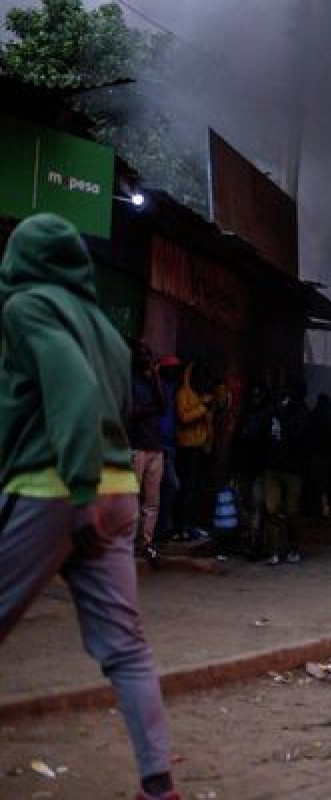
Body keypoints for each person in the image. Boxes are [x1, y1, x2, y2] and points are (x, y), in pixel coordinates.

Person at [0, 213, 179, 800]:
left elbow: (73, 389)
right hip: (118, 491)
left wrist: (78, 490)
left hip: (55, 491)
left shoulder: (26, 307)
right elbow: (115, 407)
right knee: (127, 648)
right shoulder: (105, 327)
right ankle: (158, 784)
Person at [263, 380, 309, 565]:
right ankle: (274, 551)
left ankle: (293, 548)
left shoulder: (301, 412)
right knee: (272, 509)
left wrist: (284, 416)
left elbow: (298, 435)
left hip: (292, 469)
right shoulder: (273, 410)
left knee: (291, 512)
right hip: (273, 467)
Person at [130, 343, 166, 563]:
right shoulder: (130, 383)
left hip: (155, 446)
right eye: (145, 357)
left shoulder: (152, 383)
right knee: (133, 497)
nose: (148, 361)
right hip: (137, 446)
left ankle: (146, 542)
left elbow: (163, 405)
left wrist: (155, 378)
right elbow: (131, 412)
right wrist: (151, 409)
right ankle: (130, 542)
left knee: (152, 500)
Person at [174, 361, 214, 540]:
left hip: (200, 447)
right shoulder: (183, 394)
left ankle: (192, 525)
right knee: (187, 488)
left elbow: (209, 423)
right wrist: (203, 407)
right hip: (187, 447)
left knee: (196, 488)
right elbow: (183, 417)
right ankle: (183, 526)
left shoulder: (200, 395)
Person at [231, 384, 272, 556]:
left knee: (255, 504)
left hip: (257, 467)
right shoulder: (249, 415)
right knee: (248, 504)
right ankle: (251, 540)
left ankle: (255, 542)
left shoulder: (264, 415)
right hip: (248, 467)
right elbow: (236, 440)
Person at [153, 354, 182, 543]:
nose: (175, 373)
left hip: (169, 444)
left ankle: (162, 529)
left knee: (166, 488)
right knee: (169, 485)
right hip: (158, 444)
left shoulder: (172, 389)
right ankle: (160, 530)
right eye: (172, 369)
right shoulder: (159, 388)